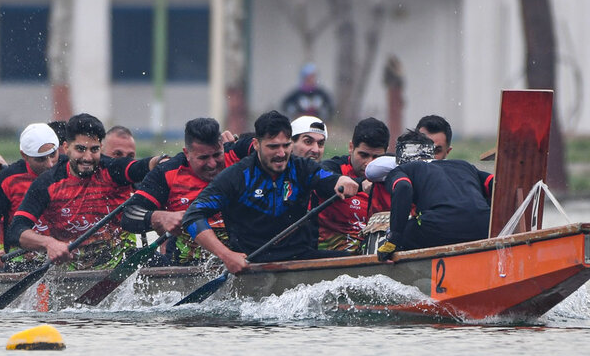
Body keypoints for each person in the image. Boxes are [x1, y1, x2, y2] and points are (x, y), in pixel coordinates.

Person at [181, 110, 359, 274]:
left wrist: (342, 180)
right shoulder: (236, 177)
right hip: (251, 265)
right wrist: (227, 256)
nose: (281, 154)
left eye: (286, 145)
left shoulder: (302, 167)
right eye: (273, 147)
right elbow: (193, 216)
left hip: (301, 259)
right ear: (256, 144)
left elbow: (328, 178)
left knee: (357, 261)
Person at [7, 113, 157, 270]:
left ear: (101, 148)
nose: (88, 157)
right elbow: (16, 231)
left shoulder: (112, 169)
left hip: (118, 263)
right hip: (69, 269)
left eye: (94, 149)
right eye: (80, 149)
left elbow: (143, 166)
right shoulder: (47, 183)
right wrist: (49, 244)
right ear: (66, 147)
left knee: (158, 261)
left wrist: (162, 161)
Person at [121, 117, 228, 264]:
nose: (212, 164)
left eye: (217, 155)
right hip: (185, 267)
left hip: (240, 258)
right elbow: (128, 214)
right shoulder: (167, 172)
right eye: (203, 158)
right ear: (187, 154)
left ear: (223, 146)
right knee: (135, 256)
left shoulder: (238, 156)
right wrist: (158, 217)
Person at [375, 129, 493, 256]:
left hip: (439, 229)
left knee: (401, 234)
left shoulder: (403, 170)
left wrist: (394, 238)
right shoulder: (464, 165)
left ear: (399, 158)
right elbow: (495, 183)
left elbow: (403, 188)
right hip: (484, 226)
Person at [0, 122, 60, 271]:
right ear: (24, 155)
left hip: (61, 257)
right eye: (40, 159)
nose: (50, 165)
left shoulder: (69, 168)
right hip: (18, 261)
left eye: (53, 155)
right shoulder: (7, 178)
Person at [318, 117, 391, 253]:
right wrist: (359, 184)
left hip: (376, 255)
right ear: (351, 147)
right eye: (363, 155)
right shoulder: (332, 168)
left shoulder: (393, 173)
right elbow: (319, 178)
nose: (369, 164)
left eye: (376, 157)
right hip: (333, 258)